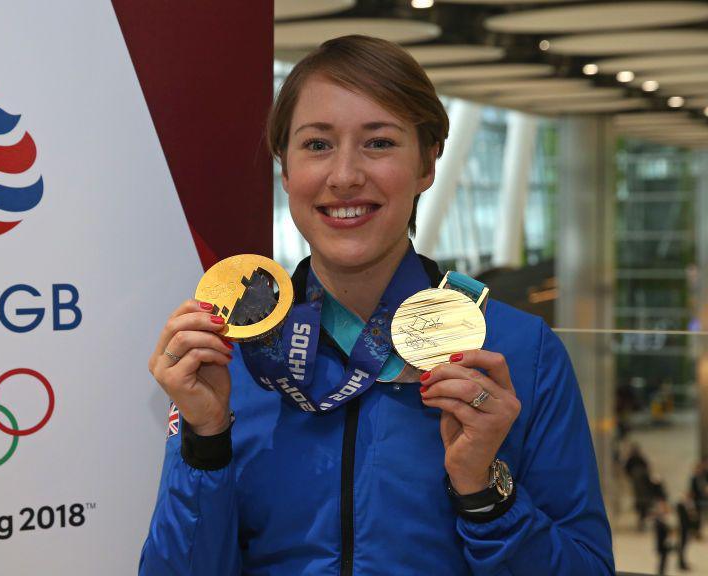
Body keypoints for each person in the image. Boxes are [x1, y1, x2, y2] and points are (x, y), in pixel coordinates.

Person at [139, 35, 614, 575]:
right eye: (317, 145)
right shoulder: (232, 354)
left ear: (427, 164)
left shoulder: (518, 353)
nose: (344, 176)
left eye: (379, 143)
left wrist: (484, 493)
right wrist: (205, 442)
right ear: (285, 168)